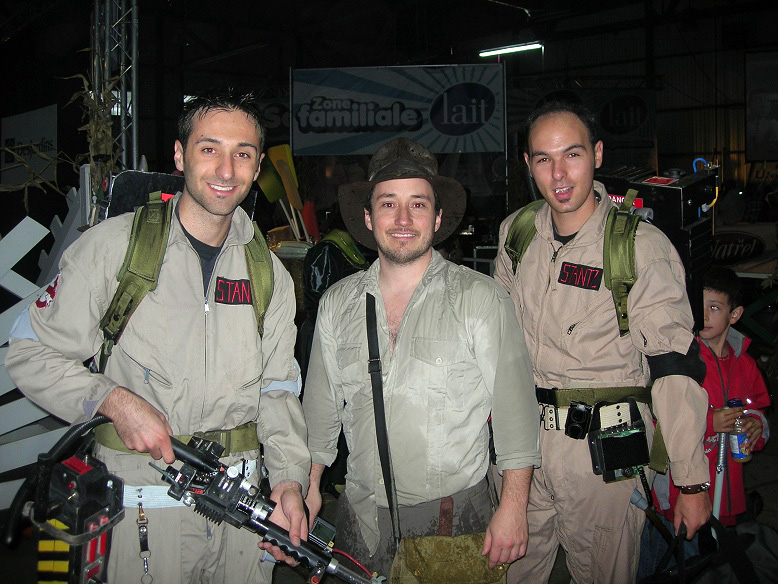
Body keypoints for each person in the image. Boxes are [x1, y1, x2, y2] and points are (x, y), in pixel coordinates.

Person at [5, 89, 311, 583]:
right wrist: (113, 400)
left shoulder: (267, 272)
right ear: (179, 155)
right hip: (143, 506)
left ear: (258, 168)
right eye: (209, 149)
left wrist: (290, 482)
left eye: (243, 154)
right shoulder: (113, 248)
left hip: (237, 510)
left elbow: (276, 389)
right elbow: (30, 352)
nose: (226, 170)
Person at [494, 101, 712, 584]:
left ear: (596, 154)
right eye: (543, 159)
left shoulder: (640, 247)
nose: (558, 174)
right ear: (528, 164)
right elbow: (499, 341)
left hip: (602, 456)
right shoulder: (518, 234)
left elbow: (673, 366)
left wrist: (691, 480)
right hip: (522, 449)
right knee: (513, 573)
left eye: (571, 155)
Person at [302, 137, 540, 578]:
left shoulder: (480, 298)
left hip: (453, 524)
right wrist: (310, 485)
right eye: (388, 204)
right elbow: (319, 412)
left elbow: (516, 414)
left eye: (418, 204)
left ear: (438, 217)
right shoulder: (337, 304)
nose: (403, 219)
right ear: (368, 217)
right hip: (361, 523)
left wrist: (513, 506)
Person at [658, 267, 770, 525]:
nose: (704, 315)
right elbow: (662, 418)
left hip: (727, 488)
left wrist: (755, 423)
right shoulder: (680, 359)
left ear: (735, 314)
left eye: (715, 307)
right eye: (698, 306)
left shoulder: (745, 363)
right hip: (681, 492)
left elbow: (757, 404)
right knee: (681, 544)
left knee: (720, 544)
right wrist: (709, 422)